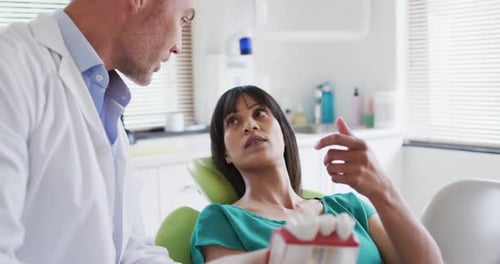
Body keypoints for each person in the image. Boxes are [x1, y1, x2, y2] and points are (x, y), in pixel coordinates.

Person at [0, 0, 195, 263]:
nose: (178, 47)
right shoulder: (11, 67)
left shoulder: (104, 100)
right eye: (183, 18)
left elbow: (130, 251)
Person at [190, 86, 443, 263]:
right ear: (225, 154)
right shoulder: (221, 220)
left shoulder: (350, 207)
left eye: (260, 113)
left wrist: (382, 189)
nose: (250, 125)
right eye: (233, 121)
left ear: (284, 135)